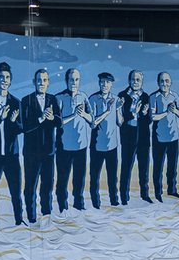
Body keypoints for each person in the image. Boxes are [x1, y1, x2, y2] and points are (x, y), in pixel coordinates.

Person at [0, 62, 24, 227]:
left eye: (7, 77)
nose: (4, 80)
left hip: (11, 155)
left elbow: (21, 128)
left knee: (16, 190)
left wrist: (12, 122)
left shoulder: (15, 102)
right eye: (1, 77)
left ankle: (18, 220)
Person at [21, 69, 60, 223]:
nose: (41, 83)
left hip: (49, 151)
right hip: (31, 153)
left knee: (48, 186)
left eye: (44, 80)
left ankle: (46, 215)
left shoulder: (53, 99)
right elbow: (24, 126)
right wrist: (40, 119)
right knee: (30, 186)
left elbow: (60, 122)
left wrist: (51, 118)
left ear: (48, 82)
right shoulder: (26, 100)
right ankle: (31, 217)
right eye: (39, 80)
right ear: (34, 82)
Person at [55, 68, 92, 212]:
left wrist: (83, 114)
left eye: (77, 79)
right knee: (62, 181)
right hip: (64, 147)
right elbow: (57, 122)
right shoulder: (59, 98)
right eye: (71, 79)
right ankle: (62, 208)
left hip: (81, 147)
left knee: (79, 181)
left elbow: (92, 121)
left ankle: (79, 206)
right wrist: (73, 114)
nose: (74, 82)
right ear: (66, 81)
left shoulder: (83, 96)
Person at [88, 72, 123, 209]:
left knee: (112, 177)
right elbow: (93, 123)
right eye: (102, 82)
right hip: (97, 145)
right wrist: (107, 111)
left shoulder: (116, 99)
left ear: (111, 84)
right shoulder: (93, 99)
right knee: (94, 177)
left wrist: (118, 109)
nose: (104, 85)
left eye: (107, 82)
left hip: (112, 145)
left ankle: (114, 201)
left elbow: (120, 122)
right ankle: (95, 204)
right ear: (99, 83)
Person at [149, 71, 179, 202]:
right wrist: (166, 112)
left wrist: (174, 110)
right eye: (162, 81)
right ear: (158, 83)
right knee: (158, 167)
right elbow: (153, 117)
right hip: (159, 138)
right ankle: (158, 193)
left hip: (173, 137)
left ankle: (172, 191)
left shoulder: (175, 96)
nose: (164, 83)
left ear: (170, 82)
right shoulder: (154, 97)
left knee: (172, 167)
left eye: (167, 81)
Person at [118, 70, 152, 204]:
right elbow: (121, 119)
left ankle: (145, 195)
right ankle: (124, 197)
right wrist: (135, 113)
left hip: (143, 138)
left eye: (138, 80)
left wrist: (143, 113)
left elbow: (149, 120)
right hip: (128, 138)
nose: (135, 82)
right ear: (129, 81)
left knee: (144, 168)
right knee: (126, 168)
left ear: (142, 81)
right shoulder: (122, 96)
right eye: (133, 79)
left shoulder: (146, 96)